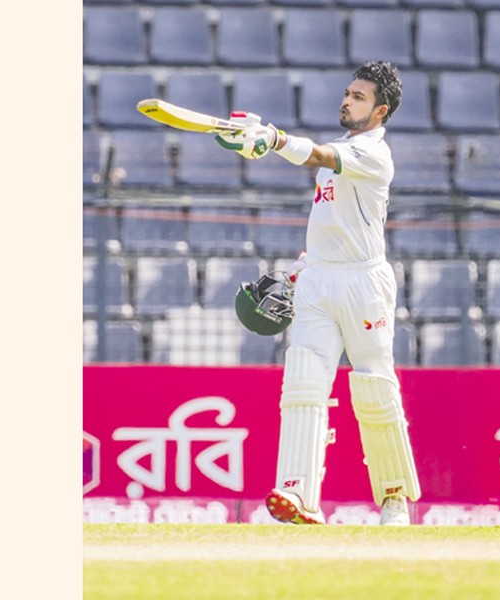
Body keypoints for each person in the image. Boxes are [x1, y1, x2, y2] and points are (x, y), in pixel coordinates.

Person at [216, 62, 421, 526]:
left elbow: (317, 155)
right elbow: (331, 223)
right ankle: (297, 493)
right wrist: (301, 268)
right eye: (347, 92)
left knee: (373, 386)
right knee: (304, 379)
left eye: (359, 97)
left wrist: (273, 139)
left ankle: (394, 499)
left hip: (364, 283)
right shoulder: (342, 149)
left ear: (381, 110)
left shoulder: (373, 154)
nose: (347, 100)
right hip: (318, 280)